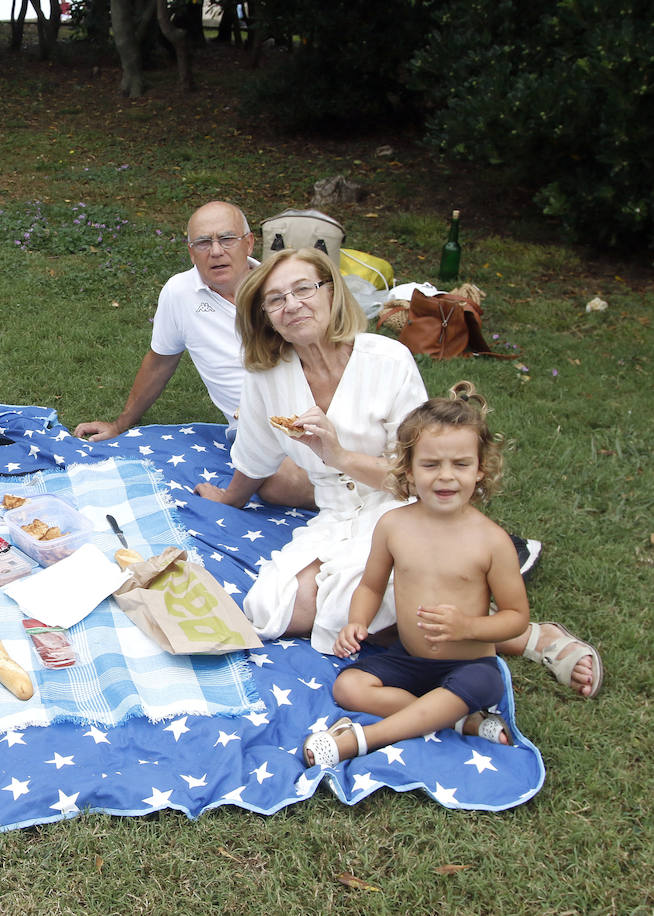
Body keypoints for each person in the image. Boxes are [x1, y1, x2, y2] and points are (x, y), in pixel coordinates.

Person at [197, 248, 602, 696]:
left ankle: (526, 636)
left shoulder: (387, 360)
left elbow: (417, 476)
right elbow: (254, 455)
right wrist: (229, 498)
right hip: (336, 513)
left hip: (402, 506)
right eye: (275, 299)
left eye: (303, 289)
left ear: (331, 293)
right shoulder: (267, 376)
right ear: (265, 316)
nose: (291, 305)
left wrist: (339, 455)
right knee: (273, 608)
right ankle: (439, 616)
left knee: (369, 598)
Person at [305, 382, 528, 767]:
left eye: (461, 464)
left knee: (481, 683)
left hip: (469, 665)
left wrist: (467, 627)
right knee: (349, 686)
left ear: (480, 470)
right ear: (407, 468)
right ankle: (457, 721)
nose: (446, 476)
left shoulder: (492, 542)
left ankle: (364, 739)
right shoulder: (393, 526)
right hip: (409, 657)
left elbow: (516, 618)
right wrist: (357, 622)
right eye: (430, 464)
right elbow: (371, 586)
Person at [74, 201, 313, 508]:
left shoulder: (283, 289)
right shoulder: (180, 294)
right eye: (203, 242)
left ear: (249, 242)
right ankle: (358, 489)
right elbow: (160, 362)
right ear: (191, 252)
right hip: (252, 428)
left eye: (227, 239)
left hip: (313, 407)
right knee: (276, 483)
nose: (216, 251)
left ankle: (357, 486)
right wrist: (119, 425)